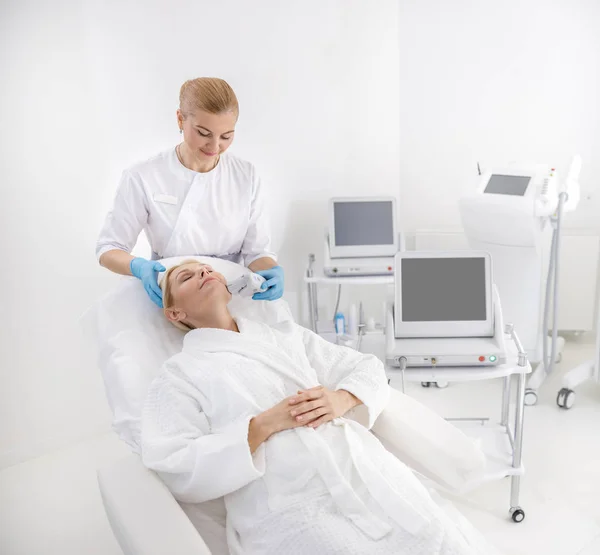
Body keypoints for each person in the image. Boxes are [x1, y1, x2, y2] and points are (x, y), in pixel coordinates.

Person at [140, 260, 499, 555]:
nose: (204, 273)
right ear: (174, 313)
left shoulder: (284, 336)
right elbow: (175, 464)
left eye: (208, 270)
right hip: (288, 500)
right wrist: (261, 426)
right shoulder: (179, 375)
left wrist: (341, 398)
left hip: (358, 469)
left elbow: (366, 369)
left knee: (439, 537)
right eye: (187, 276)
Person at [96, 77, 283, 308]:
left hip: (233, 299)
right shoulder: (143, 176)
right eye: (203, 133)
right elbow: (109, 249)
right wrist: (139, 267)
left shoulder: (246, 175)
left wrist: (271, 272)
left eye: (226, 136)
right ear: (180, 119)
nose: (215, 147)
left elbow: (257, 254)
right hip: (173, 298)